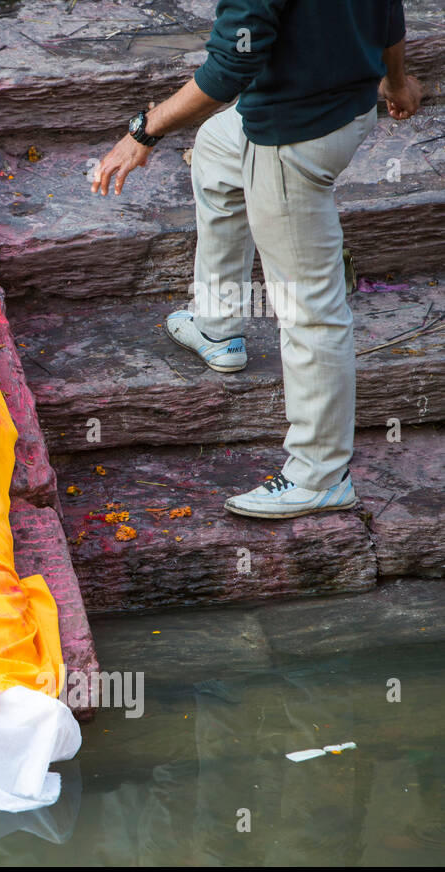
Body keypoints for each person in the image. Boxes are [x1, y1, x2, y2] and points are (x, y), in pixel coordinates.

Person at [91, 0, 421, 518]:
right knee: (218, 150)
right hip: (348, 110)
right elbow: (388, 9)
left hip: (292, 137)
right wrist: (396, 80)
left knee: (310, 308)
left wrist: (143, 131)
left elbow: (228, 68)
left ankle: (320, 475)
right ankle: (217, 326)